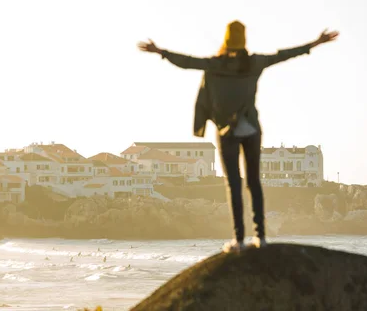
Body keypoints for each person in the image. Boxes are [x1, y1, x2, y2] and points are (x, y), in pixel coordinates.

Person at [138, 21, 338, 253]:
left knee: (234, 184)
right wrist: (316, 43)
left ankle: (239, 241)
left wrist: (160, 52)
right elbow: (283, 56)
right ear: (244, 40)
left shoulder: (215, 64)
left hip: (226, 131)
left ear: (226, 39)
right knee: (254, 182)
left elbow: (187, 62)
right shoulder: (253, 63)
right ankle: (260, 238)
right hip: (251, 129)